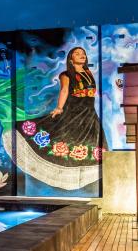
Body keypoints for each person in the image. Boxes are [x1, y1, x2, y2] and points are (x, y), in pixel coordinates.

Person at [6, 46, 107, 190]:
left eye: (83, 53)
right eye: (77, 54)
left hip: (89, 113)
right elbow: (64, 90)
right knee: (60, 137)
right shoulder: (65, 75)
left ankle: (79, 178)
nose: (81, 55)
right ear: (71, 60)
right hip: (73, 112)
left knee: (89, 144)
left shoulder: (88, 72)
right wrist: (59, 108)